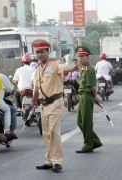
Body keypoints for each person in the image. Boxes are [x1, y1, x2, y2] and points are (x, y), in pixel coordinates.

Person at [31, 39, 79, 172]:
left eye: (42, 52)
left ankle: (57, 161)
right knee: (46, 133)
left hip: (55, 102)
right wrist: (33, 101)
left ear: (48, 51)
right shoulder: (37, 69)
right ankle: (49, 160)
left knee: (54, 132)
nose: (39, 55)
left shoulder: (55, 64)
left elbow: (65, 68)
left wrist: (74, 67)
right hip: (43, 104)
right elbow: (36, 87)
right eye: (37, 52)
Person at [75, 46, 103, 153]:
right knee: (80, 121)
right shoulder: (84, 68)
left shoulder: (89, 69)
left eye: (83, 56)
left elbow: (93, 87)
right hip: (82, 95)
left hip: (87, 96)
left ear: (88, 56)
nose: (80, 59)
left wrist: (96, 98)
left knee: (86, 122)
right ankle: (94, 140)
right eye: (79, 56)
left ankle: (88, 145)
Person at [0, 57, 18, 139]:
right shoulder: (1, 77)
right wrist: (17, 91)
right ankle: (9, 131)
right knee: (11, 110)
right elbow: (10, 88)